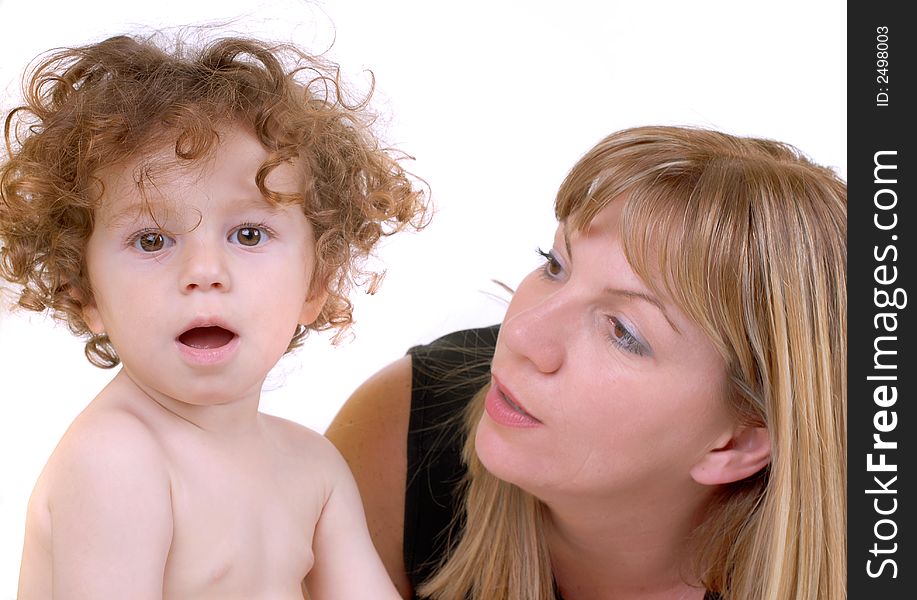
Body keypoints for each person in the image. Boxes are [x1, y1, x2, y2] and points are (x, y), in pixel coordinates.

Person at [328, 125, 847, 600]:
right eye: (555, 266)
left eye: (623, 332)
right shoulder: (404, 421)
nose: (524, 334)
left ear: (736, 444)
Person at [0, 33, 426, 598]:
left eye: (249, 233)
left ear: (316, 284)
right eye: (152, 240)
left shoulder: (313, 469)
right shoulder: (117, 461)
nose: (204, 271)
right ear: (85, 293)